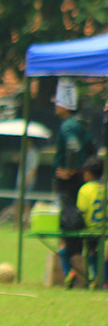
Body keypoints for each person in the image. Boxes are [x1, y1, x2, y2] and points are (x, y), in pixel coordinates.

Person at [52, 80, 96, 287]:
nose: (54, 105)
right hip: (83, 181)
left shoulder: (68, 124)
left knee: (68, 225)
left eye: (57, 101)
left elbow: (74, 146)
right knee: (86, 227)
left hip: (69, 184)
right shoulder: (81, 123)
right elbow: (90, 148)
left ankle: (70, 272)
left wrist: (69, 169)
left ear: (65, 105)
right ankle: (95, 275)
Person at [69, 156, 106, 288]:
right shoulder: (106, 187)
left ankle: (91, 278)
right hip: (105, 229)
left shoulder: (85, 189)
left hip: (91, 229)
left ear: (88, 173)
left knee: (90, 250)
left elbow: (81, 212)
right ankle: (103, 279)